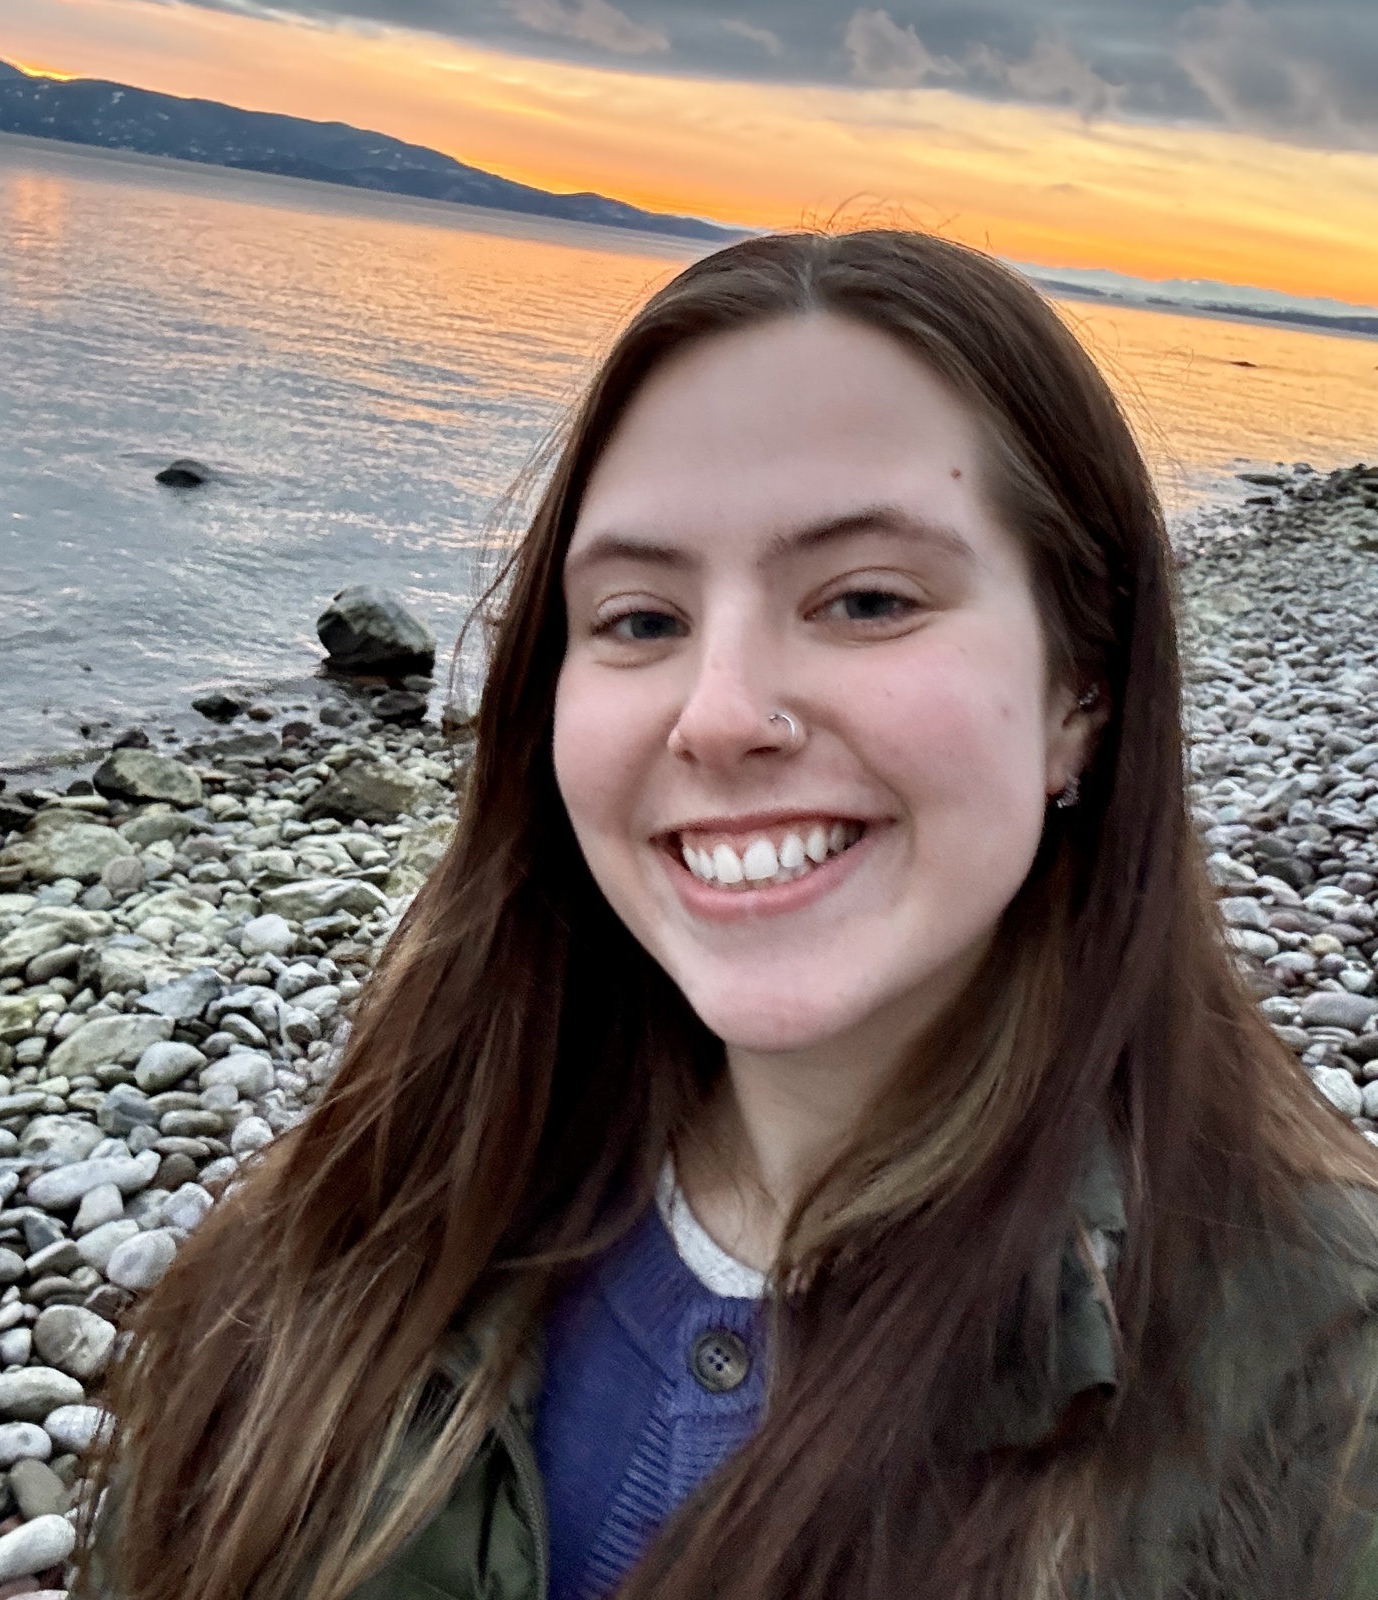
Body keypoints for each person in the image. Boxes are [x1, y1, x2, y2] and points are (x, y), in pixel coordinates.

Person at [86, 230, 1378, 1600]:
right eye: (641, 621)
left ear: (1083, 694)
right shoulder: (342, 1237)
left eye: (867, 599)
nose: (716, 716)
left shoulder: (1326, 1400)